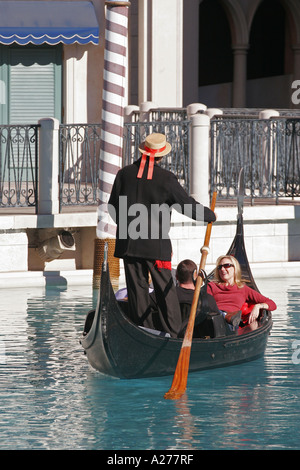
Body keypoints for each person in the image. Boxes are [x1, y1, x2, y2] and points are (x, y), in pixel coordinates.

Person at [108, 132, 216, 338]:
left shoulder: (124, 174)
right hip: (155, 246)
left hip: (129, 244)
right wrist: (210, 215)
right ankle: (173, 333)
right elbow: (186, 205)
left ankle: (144, 331)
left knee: (137, 291)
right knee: (165, 289)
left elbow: (113, 207)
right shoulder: (166, 179)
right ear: (161, 156)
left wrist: (127, 227)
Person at [207, 255, 277, 326]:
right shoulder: (211, 286)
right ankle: (224, 315)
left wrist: (258, 306)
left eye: (226, 265)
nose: (222, 269)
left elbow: (272, 304)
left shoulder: (243, 289)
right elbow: (204, 304)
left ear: (235, 268)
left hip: (231, 324)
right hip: (213, 319)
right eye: (220, 267)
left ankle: (226, 316)